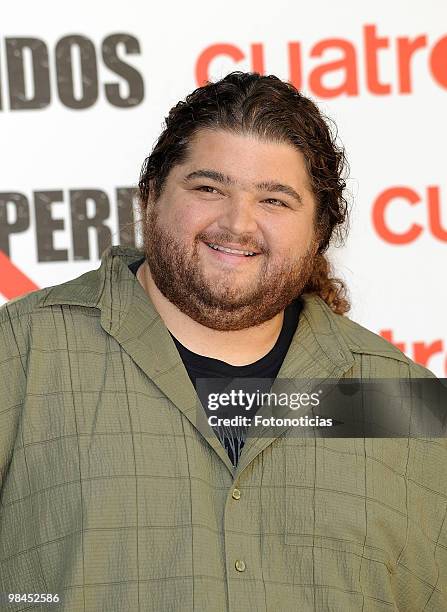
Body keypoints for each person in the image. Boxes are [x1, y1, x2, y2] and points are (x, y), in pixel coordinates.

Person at [0, 72, 445, 611]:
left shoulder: (401, 401)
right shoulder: (20, 357)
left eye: (275, 201)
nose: (237, 224)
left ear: (321, 230)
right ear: (150, 197)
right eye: (209, 188)